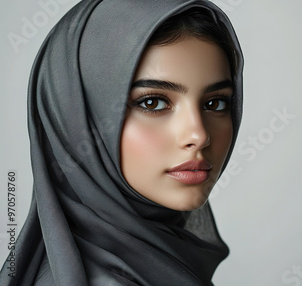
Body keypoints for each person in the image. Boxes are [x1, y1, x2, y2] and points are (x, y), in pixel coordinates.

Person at [0, 0, 243, 285]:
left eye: (215, 103)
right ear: (76, 119)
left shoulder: (161, 255)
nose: (199, 135)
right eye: (152, 102)